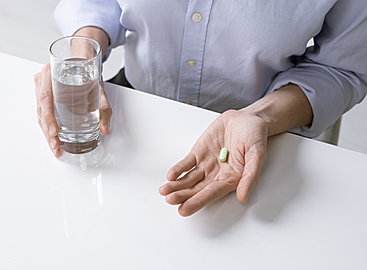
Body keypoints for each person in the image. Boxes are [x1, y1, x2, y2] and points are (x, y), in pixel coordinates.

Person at [34, 0, 367, 217]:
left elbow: (342, 68)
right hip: (135, 113)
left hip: (261, 138)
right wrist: (80, 60)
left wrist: (260, 116)